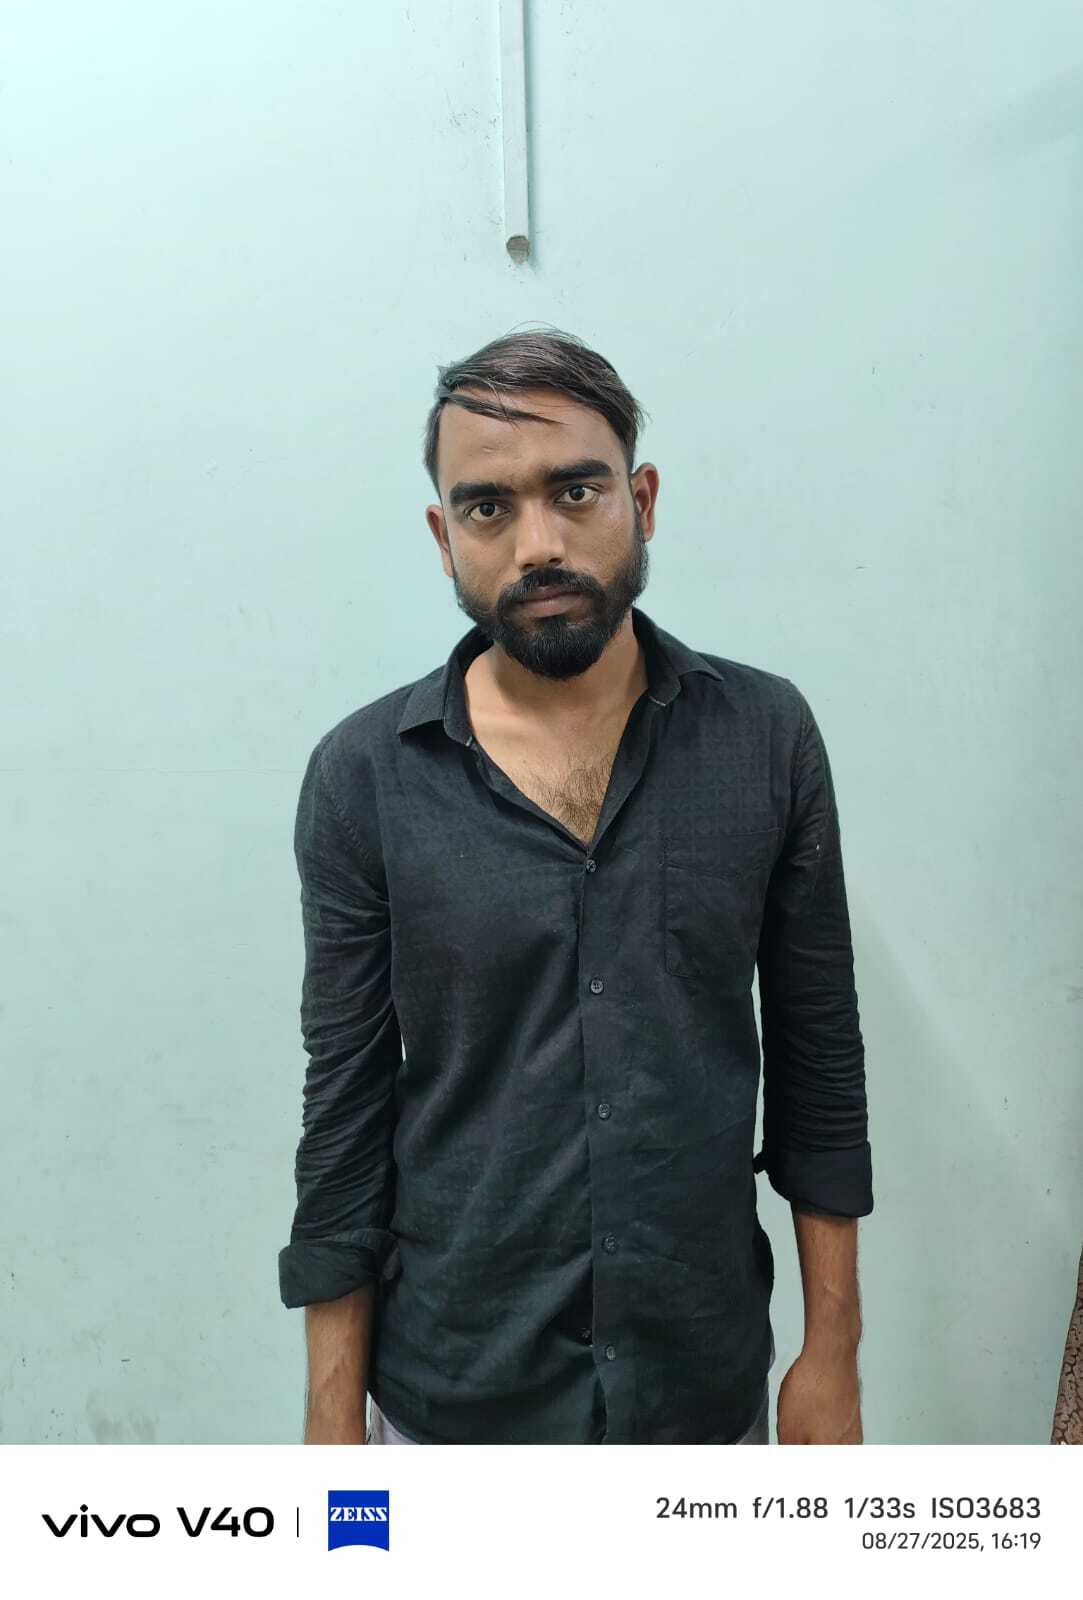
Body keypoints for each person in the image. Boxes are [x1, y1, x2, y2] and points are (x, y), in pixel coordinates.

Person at [279, 328, 873, 1445]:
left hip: (701, 1389)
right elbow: (345, 1106)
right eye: (488, 507)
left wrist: (831, 1348)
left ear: (640, 500)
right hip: (454, 1397)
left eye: (576, 490)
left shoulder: (765, 738)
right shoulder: (364, 776)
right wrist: (329, 1415)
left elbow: (818, 1058)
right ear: (444, 535)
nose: (539, 543)